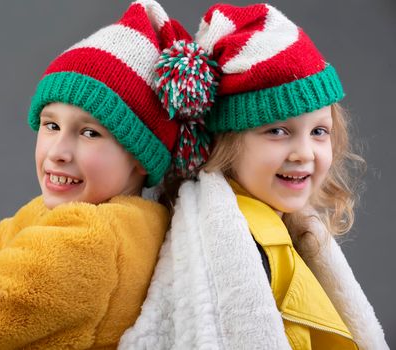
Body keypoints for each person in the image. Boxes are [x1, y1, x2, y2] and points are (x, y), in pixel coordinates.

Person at [0, 1, 200, 348]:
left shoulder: (88, 243)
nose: (58, 151)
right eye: (51, 125)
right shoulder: (103, 218)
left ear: (141, 157)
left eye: (90, 133)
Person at [120, 3, 389, 349]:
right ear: (226, 143)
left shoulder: (282, 232)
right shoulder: (253, 245)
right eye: (277, 131)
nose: (304, 152)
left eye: (319, 131)